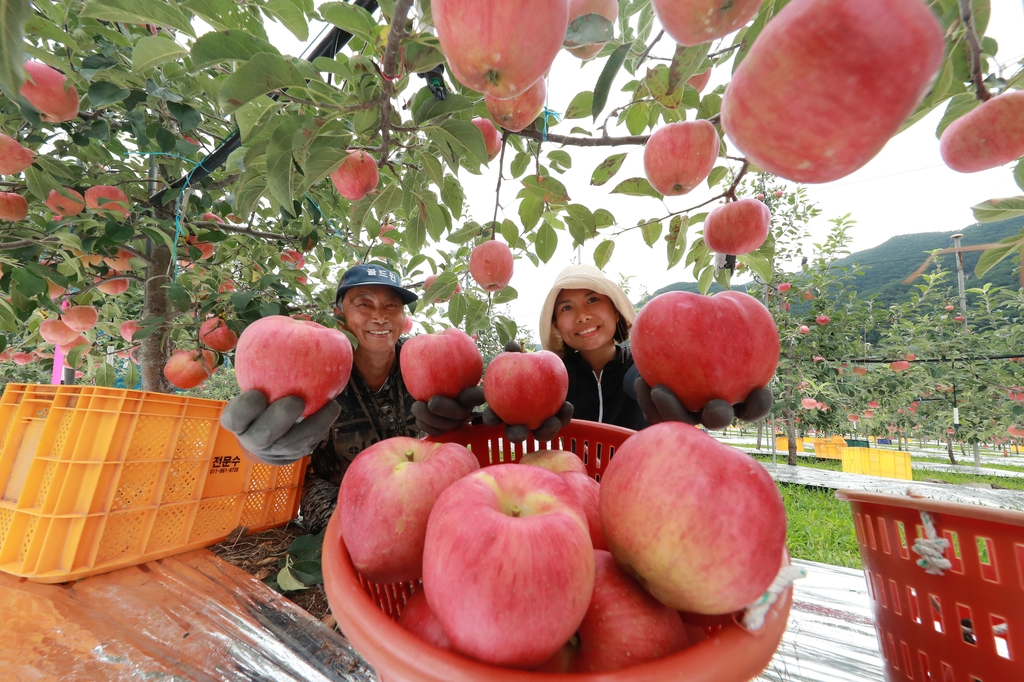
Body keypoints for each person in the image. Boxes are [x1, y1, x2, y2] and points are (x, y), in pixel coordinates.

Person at [220, 263, 481, 533]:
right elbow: (263, 432)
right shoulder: (315, 365)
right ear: (339, 314)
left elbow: (468, 417)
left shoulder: (427, 360)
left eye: (391, 305)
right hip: (336, 490)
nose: (380, 317)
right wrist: (258, 448)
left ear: (403, 316)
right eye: (364, 304)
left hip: (418, 481)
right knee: (354, 535)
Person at [537, 264, 648, 431]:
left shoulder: (642, 370)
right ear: (557, 325)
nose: (582, 316)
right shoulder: (554, 379)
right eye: (566, 308)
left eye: (592, 300)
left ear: (615, 312)